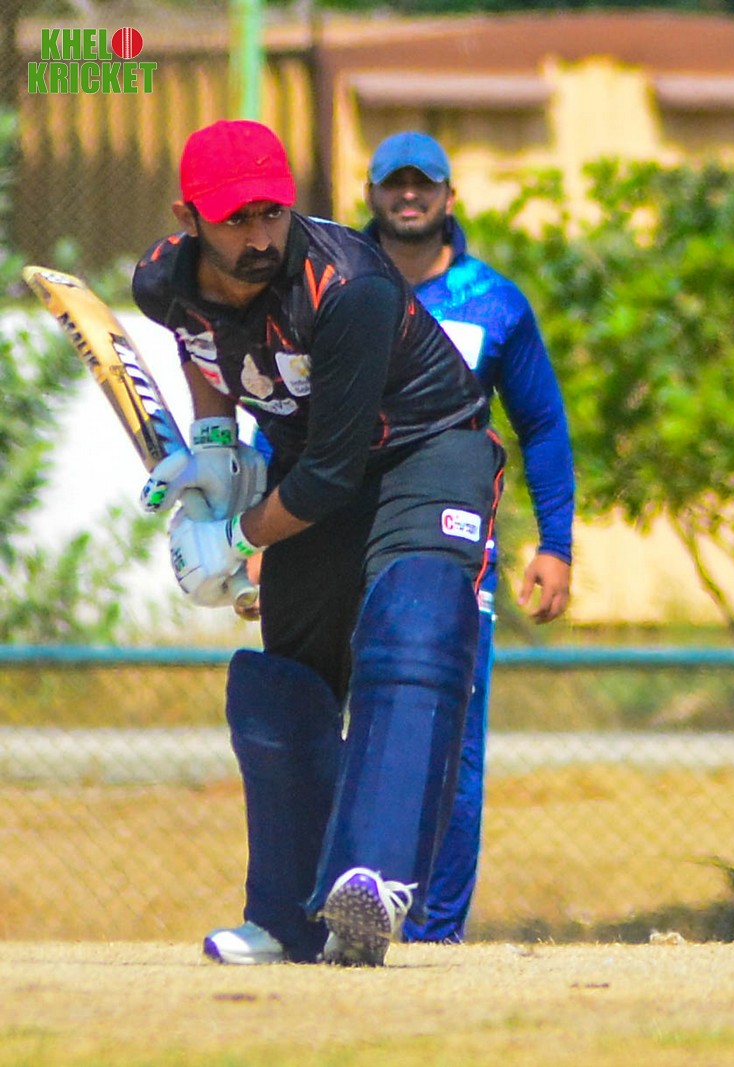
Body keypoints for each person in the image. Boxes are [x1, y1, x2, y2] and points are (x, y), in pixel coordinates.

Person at [132, 118, 505, 967]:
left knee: (413, 627)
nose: (260, 236)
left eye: (271, 212)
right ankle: (286, 918)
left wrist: (231, 539)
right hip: (312, 461)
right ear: (189, 218)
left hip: (428, 450)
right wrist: (217, 445)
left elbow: (331, 478)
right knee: (286, 679)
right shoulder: (161, 280)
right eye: (236, 220)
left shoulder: (346, 287)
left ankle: (372, 882)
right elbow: (200, 345)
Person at [362, 130, 575, 943]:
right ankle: (330, 903)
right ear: (373, 193)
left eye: (424, 183)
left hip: (455, 547)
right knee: (337, 724)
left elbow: (542, 426)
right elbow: (290, 405)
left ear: (450, 197)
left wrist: (556, 543)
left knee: (451, 735)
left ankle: (434, 930)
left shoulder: (494, 301)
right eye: (395, 183)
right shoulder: (342, 284)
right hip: (344, 533)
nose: (409, 196)